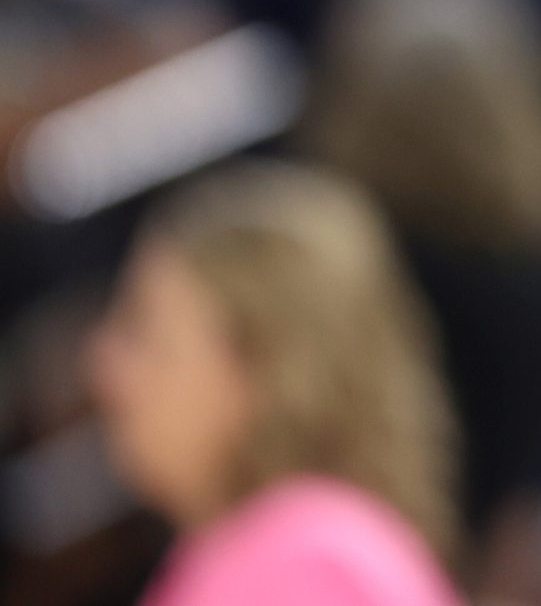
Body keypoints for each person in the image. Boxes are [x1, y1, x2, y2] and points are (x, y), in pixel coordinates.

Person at [84, 160, 467, 606]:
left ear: (263, 373)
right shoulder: (264, 548)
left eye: (144, 335)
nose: (102, 361)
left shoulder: (307, 570)